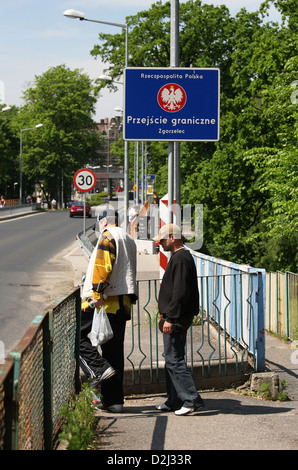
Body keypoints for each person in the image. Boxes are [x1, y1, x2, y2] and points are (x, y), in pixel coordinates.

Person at [80, 208, 138, 412]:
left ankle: (98, 368)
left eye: (98, 224)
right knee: (114, 351)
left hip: (105, 302)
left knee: (77, 336)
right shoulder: (128, 238)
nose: (98, 228)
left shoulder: (107, 236)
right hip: (122, 304)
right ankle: (114, 401)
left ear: (103, 221)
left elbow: (102, 267)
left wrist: (96, 294)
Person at [153, 223, 205, 416]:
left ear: (173, 237)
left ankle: (191, 400)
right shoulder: (179, 256)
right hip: (174, 316)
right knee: (172, 359)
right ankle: (174, 400)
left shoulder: (181, 258)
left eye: (162, 239)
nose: (160, 243)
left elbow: (180, 292)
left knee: (173, 359)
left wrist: (171, 318)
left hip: (176, 317)